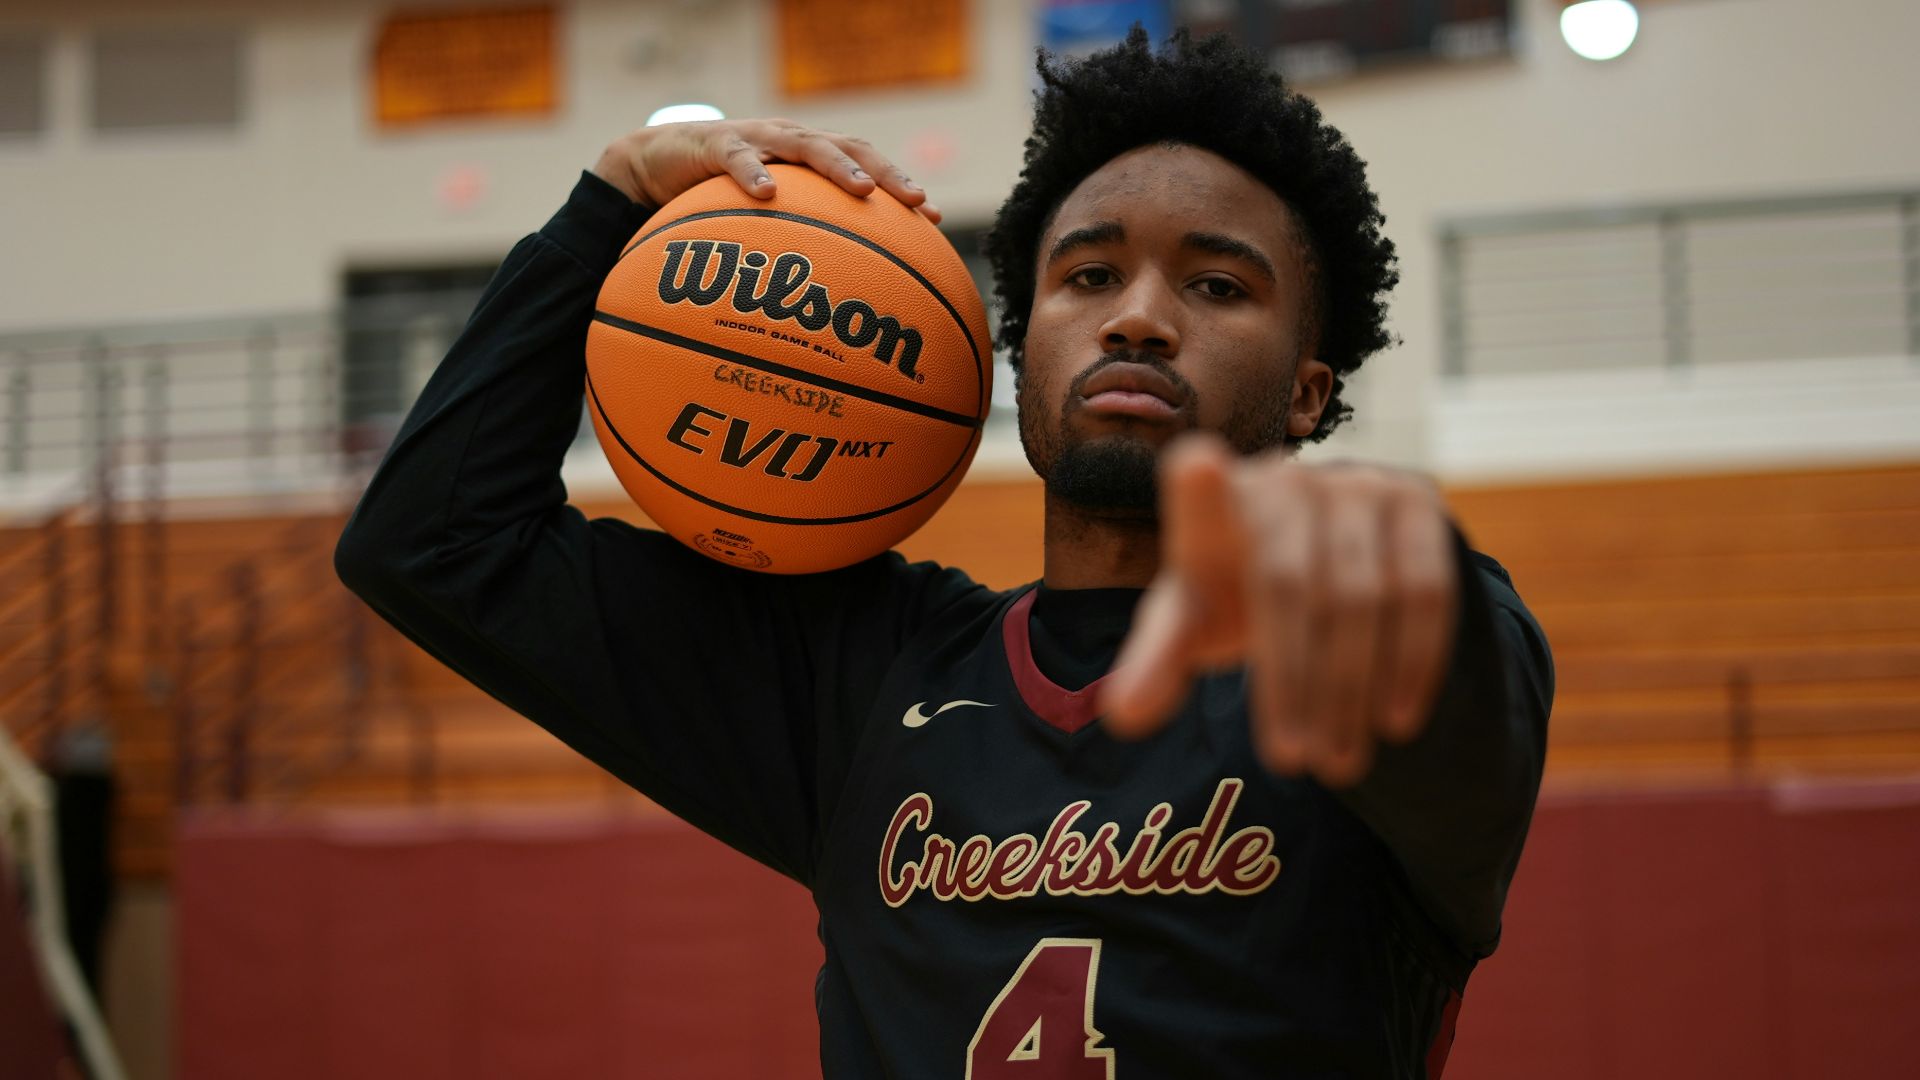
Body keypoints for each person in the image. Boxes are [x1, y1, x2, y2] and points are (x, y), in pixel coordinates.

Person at [336, 28, 1551, 1080]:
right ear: (1022, 359)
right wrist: (609, 200)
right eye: (1088, 274)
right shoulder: (860, 678)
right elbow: (434, 541)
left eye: (1217, 285)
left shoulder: (1370, 638)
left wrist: (1408, 574)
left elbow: (1443, 688)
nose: (1136, 313)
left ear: (1306, 394)